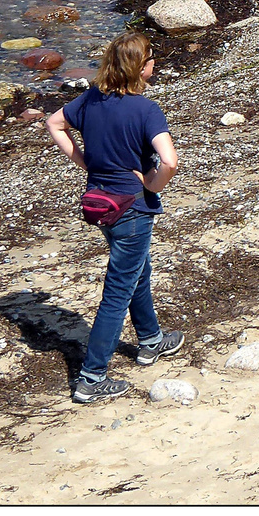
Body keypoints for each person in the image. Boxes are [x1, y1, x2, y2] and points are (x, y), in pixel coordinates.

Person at [46, 30, 183, 402]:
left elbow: (53, 124)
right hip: (131, 208)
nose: (155, 62)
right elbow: (169, 160)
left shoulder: (90, 100)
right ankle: (91, 378)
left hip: (100, 203)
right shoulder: (146, 110)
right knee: (118, 289)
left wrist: (85, 163)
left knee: (138, 270)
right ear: (140, 68)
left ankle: (151, 340)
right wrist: (153, 185)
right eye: (151, 57)